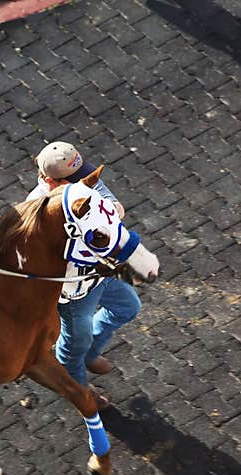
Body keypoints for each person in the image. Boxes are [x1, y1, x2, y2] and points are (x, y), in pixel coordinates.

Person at [27, 141, 147, 410]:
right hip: (74, 293)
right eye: (75, 180)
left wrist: (109, 213)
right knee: (72, 349)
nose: (86, 184)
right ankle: (81, 393)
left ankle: (90, 352)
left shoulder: (84, 185)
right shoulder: (37, 210)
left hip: (100, 275)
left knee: (128, 307)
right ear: (50, 181)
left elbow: (113, 205)